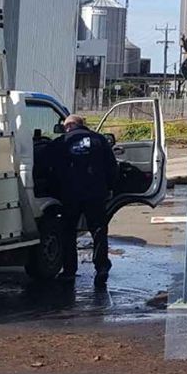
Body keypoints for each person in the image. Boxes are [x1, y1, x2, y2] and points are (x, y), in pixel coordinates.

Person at [54, 114, 118, 281]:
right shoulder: (100, 140)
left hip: (70, 194)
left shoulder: (62, 142)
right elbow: (112, 166)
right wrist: (110, 187)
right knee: (98, 230)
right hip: (95, 193)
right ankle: (101, 267)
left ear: (68, 126)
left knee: (69, 232)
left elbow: (48, 164)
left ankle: (69, 270)